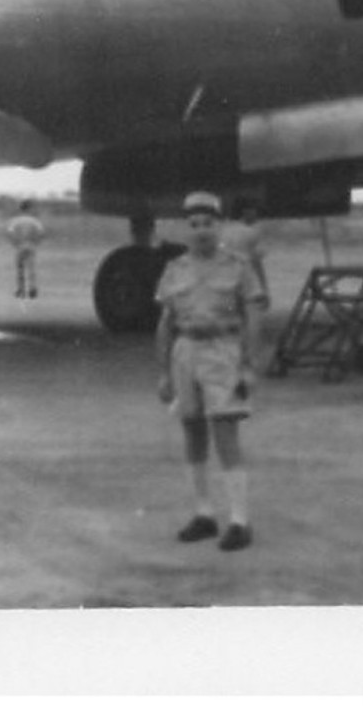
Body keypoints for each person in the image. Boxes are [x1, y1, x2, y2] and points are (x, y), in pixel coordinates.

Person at [154, 191, 268, 552]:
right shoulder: (175, 270)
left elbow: (253, 316)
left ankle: (239, 520)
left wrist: (249, 364)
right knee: (192, 432)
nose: (201, 231)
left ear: (219, 226)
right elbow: (165, 323)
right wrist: (164, 374)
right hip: (185, 351)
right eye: (194, 225)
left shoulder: (238, 266)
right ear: (186, 229)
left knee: (225, 433)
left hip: (222, 351)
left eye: (208, 224)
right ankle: (204, 514)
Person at [219, 200, 269, 300]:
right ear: (246, 212)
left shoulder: (223, 231)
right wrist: (264, 289)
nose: (257, 215)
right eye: (255, 211)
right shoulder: (252, 233)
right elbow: (257, 264)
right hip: (245, 281)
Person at [5, 199, 47, 299]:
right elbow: (41, 233)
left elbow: (10, 232)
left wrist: (14, 243)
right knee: (31, 269)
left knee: (20, 269)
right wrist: (36, 242)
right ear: (29, 208)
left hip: (20, 245)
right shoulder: (34, 220)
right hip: (31, 245)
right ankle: (32, 289)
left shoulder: (15, 221)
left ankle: (21, 289)